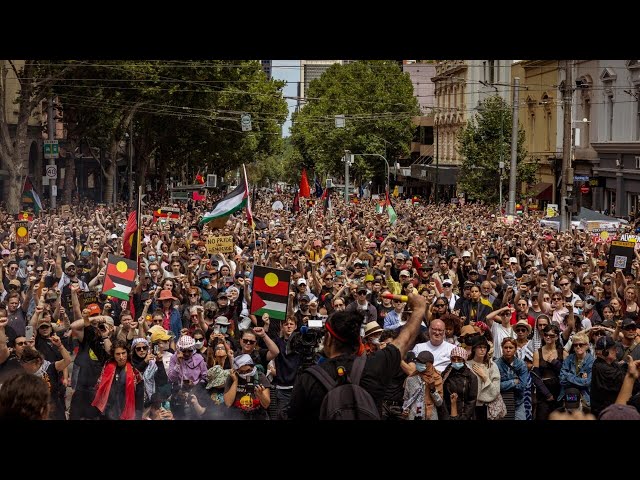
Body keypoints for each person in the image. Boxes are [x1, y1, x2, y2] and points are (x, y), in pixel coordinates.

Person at [288, 292, 427, 420]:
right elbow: (404, 340)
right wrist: (419, 309)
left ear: (328, 338)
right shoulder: (375, 366)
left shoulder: (308, 379)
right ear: (358, 341)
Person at [91, 340, 144, 420]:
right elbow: (99, 389)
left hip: (127, 412)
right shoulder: (107, 368)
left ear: (128, 353)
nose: (121, 357)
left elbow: (139, 398)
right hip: (108, 412)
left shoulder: (135, 373)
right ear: (113, 355)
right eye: (118, 354)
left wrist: (138, 416)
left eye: (123, 353)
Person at [531, 324, 566, 420]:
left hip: (559, 391)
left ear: (557, 337)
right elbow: (535, 376)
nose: (548, 337)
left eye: (551, 335)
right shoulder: (537, 353)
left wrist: (555, 363)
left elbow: (566, 373)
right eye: (546, 334)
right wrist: (547, 394)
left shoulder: (563, 352)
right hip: (543, 392)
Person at [223, 353, 272, 420]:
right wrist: (235, 381)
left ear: (252, 367)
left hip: (257, 415)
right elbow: (228, 403)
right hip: (237, 415)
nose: (246, 374)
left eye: (248, 370)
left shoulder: (260, 377)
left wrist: (261, 395)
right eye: (242, 372)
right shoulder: (232, 377)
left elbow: (266, 405)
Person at [589, 335, 627, 418]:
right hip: (604, 414)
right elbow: (624, 380)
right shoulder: (601, 368)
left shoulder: (610, 363)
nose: (616, 351)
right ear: (605, 352)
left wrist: (625, 365)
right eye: (613, 349)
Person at [402, 350, 444, 420]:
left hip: (430, 416)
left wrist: (432, 389)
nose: (418, 364)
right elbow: (406, 399)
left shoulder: (437, 378)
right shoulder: (411, 379)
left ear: (430, 364)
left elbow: (439, 403)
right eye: (418, 361)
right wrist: (405, 410)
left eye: (422, 362)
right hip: (413, 416)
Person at [467, 336, 501, 420]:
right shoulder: (467, 365)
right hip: (470, 407)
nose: (482, 350)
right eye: (479, 347)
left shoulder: (492, 366)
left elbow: (496, 391)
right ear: (474, 348)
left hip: (487, 407)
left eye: (485, 347)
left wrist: (484, 376)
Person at [496, 337, 530, 420]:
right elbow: (496, 386)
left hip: (518, 402)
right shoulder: (496, 364)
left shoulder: (521, 364)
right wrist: (513, 382)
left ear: (515, 349)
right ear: (502, 348)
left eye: (510, 347)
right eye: (505, 347)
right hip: (501, 401)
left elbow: (522, 385)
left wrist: (504, 385)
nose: (508, 350)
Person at [440, 346, 478, 420]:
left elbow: (472, 400)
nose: (456, 361)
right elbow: (442, 396)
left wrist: (464, 417)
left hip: (465, 415)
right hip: (448, 414)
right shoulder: (446, 375)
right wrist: (446, 416)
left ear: (464, 360)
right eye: (453, 359)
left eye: (459, 359)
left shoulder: (471, 377)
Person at [559, 332, 594, 409]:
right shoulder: (569, 358)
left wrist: (568, 376)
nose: (578, 347)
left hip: (584, 397)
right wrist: (580, 380)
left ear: (587, 346)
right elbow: (561, 379)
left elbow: (587, 382)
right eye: (575, 345)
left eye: (581, 344)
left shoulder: (592, 361)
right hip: (568, 395)